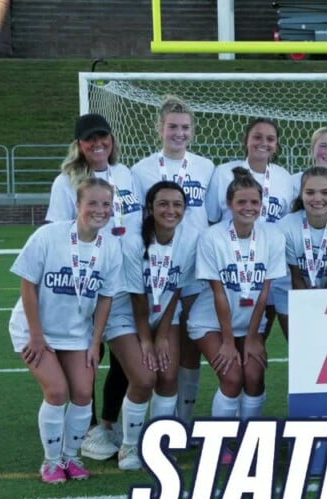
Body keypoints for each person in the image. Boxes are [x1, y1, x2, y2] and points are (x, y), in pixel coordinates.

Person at [10, 177, 124, 483]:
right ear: (77, 205)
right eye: (92, 203)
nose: (99, 210)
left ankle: (72, 457)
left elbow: (105, 298)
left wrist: (94, 342)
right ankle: (51, 461)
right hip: (36, 330)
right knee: (58, 392)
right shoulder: (49, 235)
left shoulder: (111, 248)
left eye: (106, 204)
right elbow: (28, 285)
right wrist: (36, 335)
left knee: (84, 393)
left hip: (77, 333)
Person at [45, 113, 141, 462]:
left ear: (112, 138)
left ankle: (108, 422)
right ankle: (85, 431)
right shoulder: (66, 182)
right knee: (87, 353)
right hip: (84, 282)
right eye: (89, 139)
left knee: (120, 358)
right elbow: (57, 233)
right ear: (79, 144)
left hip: (125, 281)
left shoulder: (125, 174)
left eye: (103, 136)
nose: (98, 144)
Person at [187, 167, 287, 460]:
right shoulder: (212, 237)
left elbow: (265, 292)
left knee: (254, 376)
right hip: (211, 321)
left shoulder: (272, 237)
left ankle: (249, 441)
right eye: (241, 202)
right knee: (232, 377)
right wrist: (229, 342)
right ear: (230, 204)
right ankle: (220, 442)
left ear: (261, 205)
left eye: (254, 202)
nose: (248, 208)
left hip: (250, 322)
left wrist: (254, 337)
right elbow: (219, 293)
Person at [129, 95, 217, 426]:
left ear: (192, 131)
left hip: (196, 267)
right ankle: (137, 423)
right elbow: (139, 220)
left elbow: (212, 218)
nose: (178, 133)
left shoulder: (206, 167)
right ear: (160, 129)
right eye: (172, 127)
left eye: (184, 127)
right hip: (156, 268)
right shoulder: (142, 170)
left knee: (189, 348)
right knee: (147, 351)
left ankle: (185, 421)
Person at [104, 181, 199, 470]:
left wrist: (163, 335)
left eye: (177, 205)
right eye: (163, 204)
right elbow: (137, 296)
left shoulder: (190, 238)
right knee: (145, 378)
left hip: (165, 311)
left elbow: (178, 289)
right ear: (150, 208)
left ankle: (156, 443)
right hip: (125, 314)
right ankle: (129, 447)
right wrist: (147, 340)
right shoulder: (133, 241)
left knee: (168, 377)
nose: (171, 210)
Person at [208, 118, 295, 343]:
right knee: (236, 339)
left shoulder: (283, 177)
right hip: (233, 268)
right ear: (246, 140)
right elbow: (212, 219)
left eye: (270, 139)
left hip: (271, 267)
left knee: (257, 340)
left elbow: (286, 223)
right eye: (257, 137)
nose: (263, 143)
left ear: (276, 145)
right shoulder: (224, 172)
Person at [277, 166, 327, 336]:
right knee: (301, 345)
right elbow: (296, 276)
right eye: (310, 193)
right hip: (292, 293)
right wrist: (308, 310)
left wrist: (322, 310)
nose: (318, 199)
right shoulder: (286, 226)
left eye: (325, 192)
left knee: (326, 343)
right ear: (301, 194)